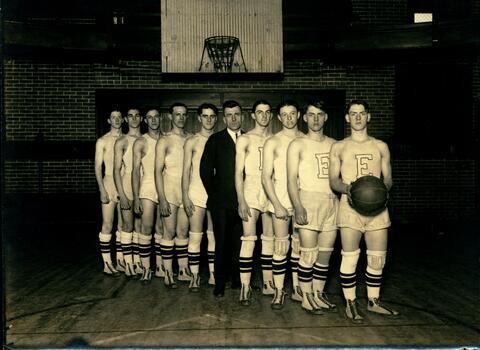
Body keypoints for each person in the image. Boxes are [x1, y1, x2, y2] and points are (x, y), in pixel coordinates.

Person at [329, 99, 399, 323]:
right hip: (349, 206)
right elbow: (333, 181)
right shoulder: (339, 146)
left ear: (368, 116)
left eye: (362, 113)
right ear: (347, 118)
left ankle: (373, 301)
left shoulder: (380, 146)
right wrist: (350, 189)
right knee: (349, 257)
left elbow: (387, 179)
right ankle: (350, 303)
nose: (358, 118)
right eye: (353, 114)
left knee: (377, 259)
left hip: (377, 209)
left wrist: (378, 192)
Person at [287, 101, 338, 314]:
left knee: (325, 256)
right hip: (307, 200)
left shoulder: (336, 144)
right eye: (311, 114)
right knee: (308, 255)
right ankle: (306, 297)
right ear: (304, 118)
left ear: (325, 117)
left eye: (320, 114)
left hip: (332, 201)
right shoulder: (297, 144)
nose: (315, 119)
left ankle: (318, 294)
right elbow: (291, 180)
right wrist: (297, 206)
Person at [262, 100, 304, 309]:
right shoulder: (273, 142)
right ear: (278, 118)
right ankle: (278, 291)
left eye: (292, 113)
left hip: (301, 202)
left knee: (299, 246)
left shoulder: (306, 140)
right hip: (279, 200)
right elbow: (265, 177)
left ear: (299, 115)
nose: (288, 118)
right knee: (280, 246)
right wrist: (276, 204)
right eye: (284, 114)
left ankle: (297, 288)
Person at [200, 100, 243, 298]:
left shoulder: (248, 139)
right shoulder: (216, 139)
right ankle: (219, 283)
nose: (233, 118)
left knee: (238, 242)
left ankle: (237, 279)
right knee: (221, 243)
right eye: (229, 115)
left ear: (241, 116)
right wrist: (215, 194)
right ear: (224, 118)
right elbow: (205, 171)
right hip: (221, 202)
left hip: (243, 201)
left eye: (237, 114)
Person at [235, 100, 275, 306]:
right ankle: (245, 285)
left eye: (267, 112)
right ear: (253, 115)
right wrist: (241, 199)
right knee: (249, 239)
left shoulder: (276, 139)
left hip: (271, 191)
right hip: (251, 190)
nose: (264, 116)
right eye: (259, 112)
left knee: (269, 239)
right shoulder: (245, 139)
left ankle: (268, 283)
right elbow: (237, 173)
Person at [182, 103, 218, 292]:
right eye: (205, 116)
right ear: (199, 118)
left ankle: (213, 273)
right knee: (196, 236)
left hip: (215, 194)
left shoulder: (221, 139)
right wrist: (185, 197)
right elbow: (185, 171)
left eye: (212, 116)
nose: (209, 120)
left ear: (216, 118)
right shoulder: (192, 141)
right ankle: (195, 275)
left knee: (213, 236)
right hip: (195, 192)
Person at [155, 102, 191, 288]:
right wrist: (161, 198)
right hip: (169, 190)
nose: (181, 118)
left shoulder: (191, 138)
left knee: (183, 232)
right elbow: (157, 171)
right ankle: (167, 271)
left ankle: (183, 269)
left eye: (184, 114)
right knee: (168, 231)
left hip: (186, 191)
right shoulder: (165, 140)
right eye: (177, 114)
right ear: (170, 116)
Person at [132, 109, 163, 285]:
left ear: (161, 118)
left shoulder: (166, 138)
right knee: (146, 227)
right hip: (148, 186)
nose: (153, 121)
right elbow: (135, 172)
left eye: (156, 117)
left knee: (161, 227)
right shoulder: (141, 141)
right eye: (149, 118)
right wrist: (136, 197)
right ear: (145, 120)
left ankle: (159, 266)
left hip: (164, 185)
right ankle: (145, 268)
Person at [113, 108, 143, 278]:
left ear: (141, 118)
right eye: (130, 116)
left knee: (139, 226)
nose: (134, 119)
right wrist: (122, 195)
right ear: (126, 119)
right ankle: (128, 263)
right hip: (126, 186)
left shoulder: (145, 139)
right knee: (127, 225)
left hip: (142, 185)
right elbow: (116, 170)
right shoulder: (121, 141)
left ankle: (138, 261)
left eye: (137, 115)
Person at [95, 110, 124, 277]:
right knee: (107, 224)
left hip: (124, 183)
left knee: (122, 226)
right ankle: (107, 263)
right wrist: (101, 189)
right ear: (109, 120)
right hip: (109, 183)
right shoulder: (103, 141)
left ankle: (120, 260)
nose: (117, 120)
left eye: (119, 117)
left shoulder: (127, 139)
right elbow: (98, 167)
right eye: (113, 117)